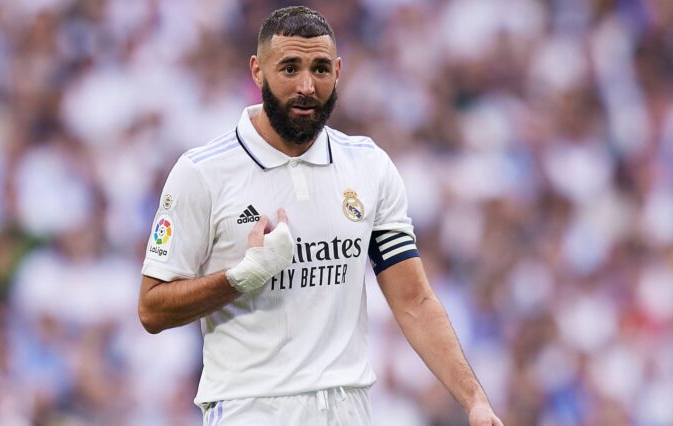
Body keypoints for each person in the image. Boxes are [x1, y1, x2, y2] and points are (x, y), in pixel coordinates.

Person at [138, 6, 503, 426]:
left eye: (320, 69)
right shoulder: (202, 172)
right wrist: (240, 277)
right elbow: (152, 309)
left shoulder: (368, 165)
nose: (307, 86)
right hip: (252, 409)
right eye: (289, 68)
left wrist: (474, 399)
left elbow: (414, 300)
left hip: (349, 411)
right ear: (257, 71)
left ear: (339, 71)